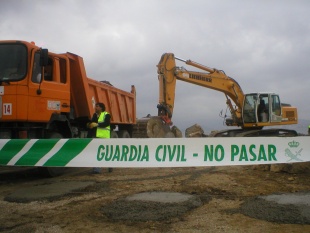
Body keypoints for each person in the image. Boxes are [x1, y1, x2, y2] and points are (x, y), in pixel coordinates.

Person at [87, 102, 111, 174]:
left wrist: (97, 124)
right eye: (95, 106)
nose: (95, 107)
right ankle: (96, 169)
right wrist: (89, 125)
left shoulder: (107, 115)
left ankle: (110, 165)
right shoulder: (95, 115)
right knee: (97, 152)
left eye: (97, 106)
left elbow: (106, 123)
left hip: (104, 137)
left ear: (101, 108)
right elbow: (92, 124)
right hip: (96, 137)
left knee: (106, 152)